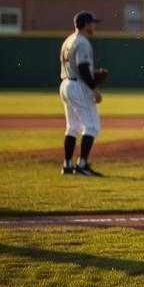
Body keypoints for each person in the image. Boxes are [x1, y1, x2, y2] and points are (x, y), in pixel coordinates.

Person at [59, 11, 105, 176]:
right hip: (78, 86)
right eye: (92, 23)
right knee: (91, 126)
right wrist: (94, 88)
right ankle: (82, 165)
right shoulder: (83, 42)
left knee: (72, 127)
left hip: (65, 84)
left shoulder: (68, 40)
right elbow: (83, 67)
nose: (94, 26)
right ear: (86, 25)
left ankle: (67, 164)